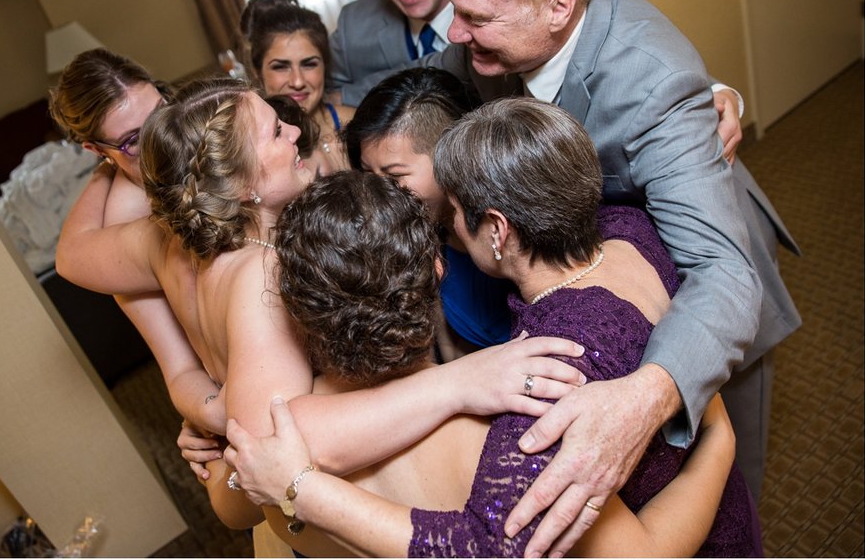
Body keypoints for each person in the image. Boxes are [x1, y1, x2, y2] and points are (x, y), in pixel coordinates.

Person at [406, 0, 799, 555]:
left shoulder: (653, 81)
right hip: (605, 257)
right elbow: (421, 89)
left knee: (724, 482)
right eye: (455, 12)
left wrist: (647, 398)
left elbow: (723, 275)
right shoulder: (496, 31)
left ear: (561, 7)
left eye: (475, 19)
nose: (455, 35)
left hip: (710, 280)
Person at [224, 107, 761, 555]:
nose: (452, 227)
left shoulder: (282, 444)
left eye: (454, 210)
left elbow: (490, 545)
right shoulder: (630, 230)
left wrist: (297, 487)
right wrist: (715, 435)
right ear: (437, 270)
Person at [56, 78, 588, 531]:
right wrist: (458, 383)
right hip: (310, 509)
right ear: (242, 184)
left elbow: (74, 256)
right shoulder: (264, 273)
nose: (294, 130)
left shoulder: (165, 238)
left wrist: (206, 406)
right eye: (275, 130)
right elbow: (266, 451)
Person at [331, 0, 746, 165]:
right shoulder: (357, 23)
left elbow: (624, 40)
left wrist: (708, 91)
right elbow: (414, 76)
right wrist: (323, 107)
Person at [48, 49, 224, 450]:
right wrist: (215, 413)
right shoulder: (125, 223)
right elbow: (179, 369)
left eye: (162, 113)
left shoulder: (208, 131)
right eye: (133, 140)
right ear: (96, 150)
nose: (163, 140)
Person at [345, 67, 510, 358]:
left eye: (394, 176)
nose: (376, 193)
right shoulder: (416, 236)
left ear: (451, 158)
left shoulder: (509, 228)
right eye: (368, 174)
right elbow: (445, 349)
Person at [239, 0, 353, 176]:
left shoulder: (357, 125)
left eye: (309, 64)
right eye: (280, 67)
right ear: (257, 71)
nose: (298, 81)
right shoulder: (251, 152)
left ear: (326, 64)